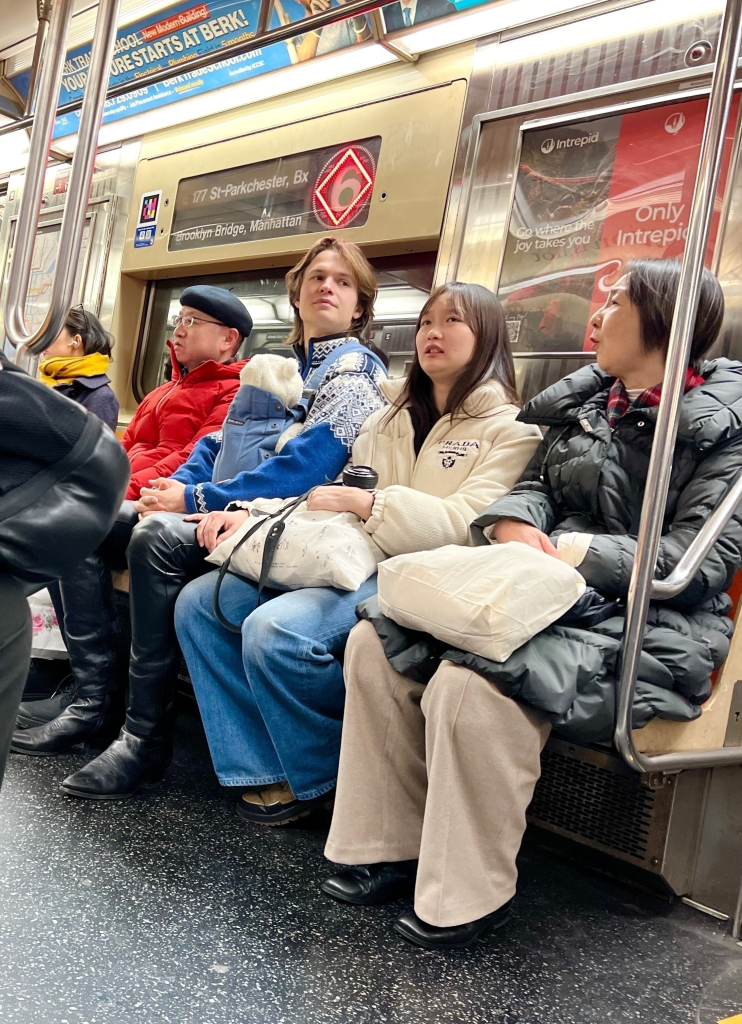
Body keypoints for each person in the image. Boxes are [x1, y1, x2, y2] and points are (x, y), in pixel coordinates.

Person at [322, 259, 742, 950]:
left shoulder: (722, 428)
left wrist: (570, 553)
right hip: (546, 589)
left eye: (616, 300)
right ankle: (385, 843)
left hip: (646, 619)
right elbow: (538, 490)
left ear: (663, 318)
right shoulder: (585, 406)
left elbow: (699, 561)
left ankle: (469, 893)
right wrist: (516, 524)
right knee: (376, 642)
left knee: (472, 680)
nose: (597, 315)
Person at [22, 237, 388, 802]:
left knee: (157, 539)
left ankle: (145, 737)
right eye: (316, 277)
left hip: (283, 521)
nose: (326, 287)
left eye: (342, 282)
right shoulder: (284, 367)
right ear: (296, 295)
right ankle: (95, 701)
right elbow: (219, 441)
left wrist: (193, 502)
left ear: (360, 307)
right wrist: (182, 487)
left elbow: (307, 466)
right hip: (234, 510)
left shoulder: (352, 373)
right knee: (83, 523)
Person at [174, 282, 541, 827]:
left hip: (425, 575)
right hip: (352, 556)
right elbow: (329, 498)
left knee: (278, 630)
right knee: (202, 603)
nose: (432, 334)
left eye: (452, 322)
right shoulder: (387, 418)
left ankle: (327, 776)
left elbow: (469, 523)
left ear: (487, 335)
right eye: (424, 324)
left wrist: (373, 504)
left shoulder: (511, 431)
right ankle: (265, 766)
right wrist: (250, 514)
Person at [12, 285, 251, 739]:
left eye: (192, 322)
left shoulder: (233, 394)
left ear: (228, 339)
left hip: (167, 503)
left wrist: (111, 488)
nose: (178, 330)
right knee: (61, 520)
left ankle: (93, 700)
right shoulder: (163, 390)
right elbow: (120, 447)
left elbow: (190, 458)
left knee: (76, 527)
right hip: (131, 495)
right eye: (178, 319)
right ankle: (87, 688)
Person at [37, 304, 118, 431]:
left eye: (52, 333)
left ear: (76, 341)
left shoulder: (101, 397)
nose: (43, 339)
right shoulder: (44, 381)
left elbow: (92, 448)